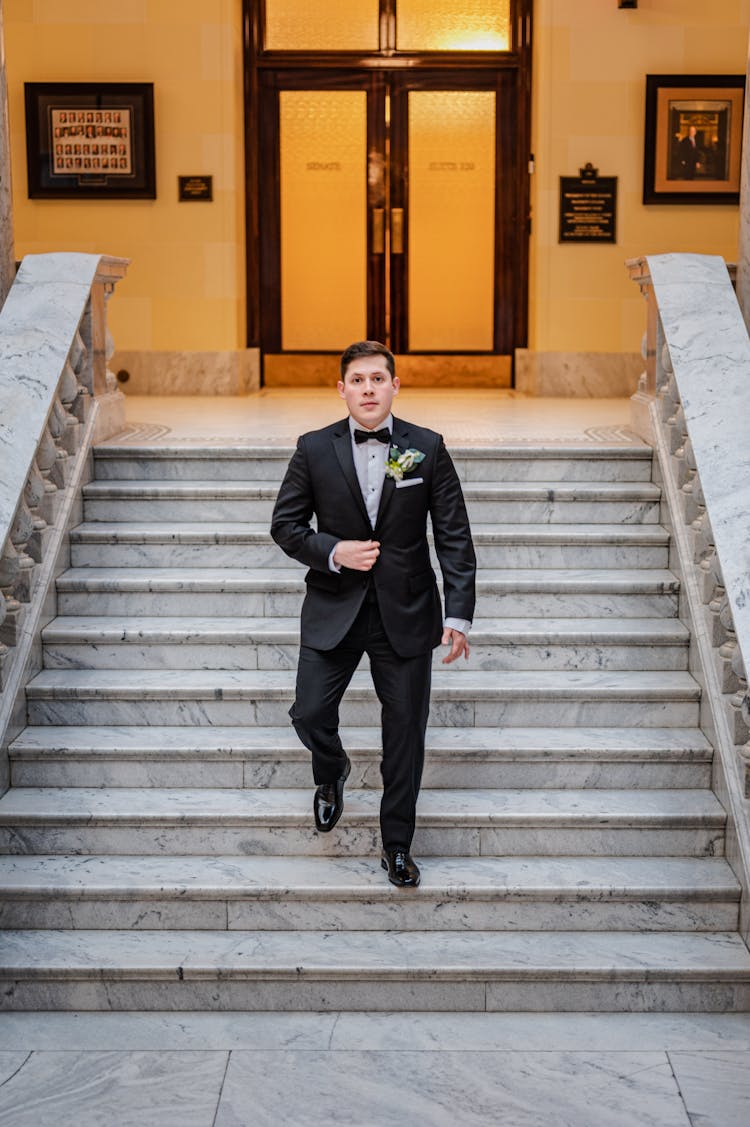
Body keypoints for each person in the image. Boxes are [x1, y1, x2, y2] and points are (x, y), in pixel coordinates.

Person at [270, 340, 476, 887]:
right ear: (342, 390)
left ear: (394, 385)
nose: (367, 389)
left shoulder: (426, 447)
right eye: (357, 380)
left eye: (377, 379)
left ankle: (398, 845)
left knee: (405, 733)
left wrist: (458, 614)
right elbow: (286, 527)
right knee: (309, 712)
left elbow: (453, 534)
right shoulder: (313, 448)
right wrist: (333, 551)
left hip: (406, 611)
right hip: (334, 605)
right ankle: (332, 770)